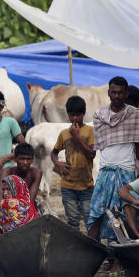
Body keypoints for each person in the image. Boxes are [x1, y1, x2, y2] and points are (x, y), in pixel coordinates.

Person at [86, 76, 139, 241]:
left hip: (126, 172)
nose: (117, 96)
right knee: (96, 213)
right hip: (105, 171)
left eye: (120, 93)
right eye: (113, 92)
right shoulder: (100, 115)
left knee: (121, 216)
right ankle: (94, 255)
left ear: (126, 93)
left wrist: (135, 171)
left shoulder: (135, 115)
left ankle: (117, 259)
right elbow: (101, 144)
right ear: (108, 93)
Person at [50, 95, 95, 231]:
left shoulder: (90, 131)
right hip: (68, 186)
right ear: (68, 115)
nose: (75, 118)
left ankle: (91, 247)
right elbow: (53, 153)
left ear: (84, 113)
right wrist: (58, 164)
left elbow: (91, 154)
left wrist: (76, 136)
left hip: (86, 186)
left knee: (89, 220)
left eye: (78, 115)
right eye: (72, 115)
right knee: (73, 220)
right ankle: (76, 247)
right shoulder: (64, 134)